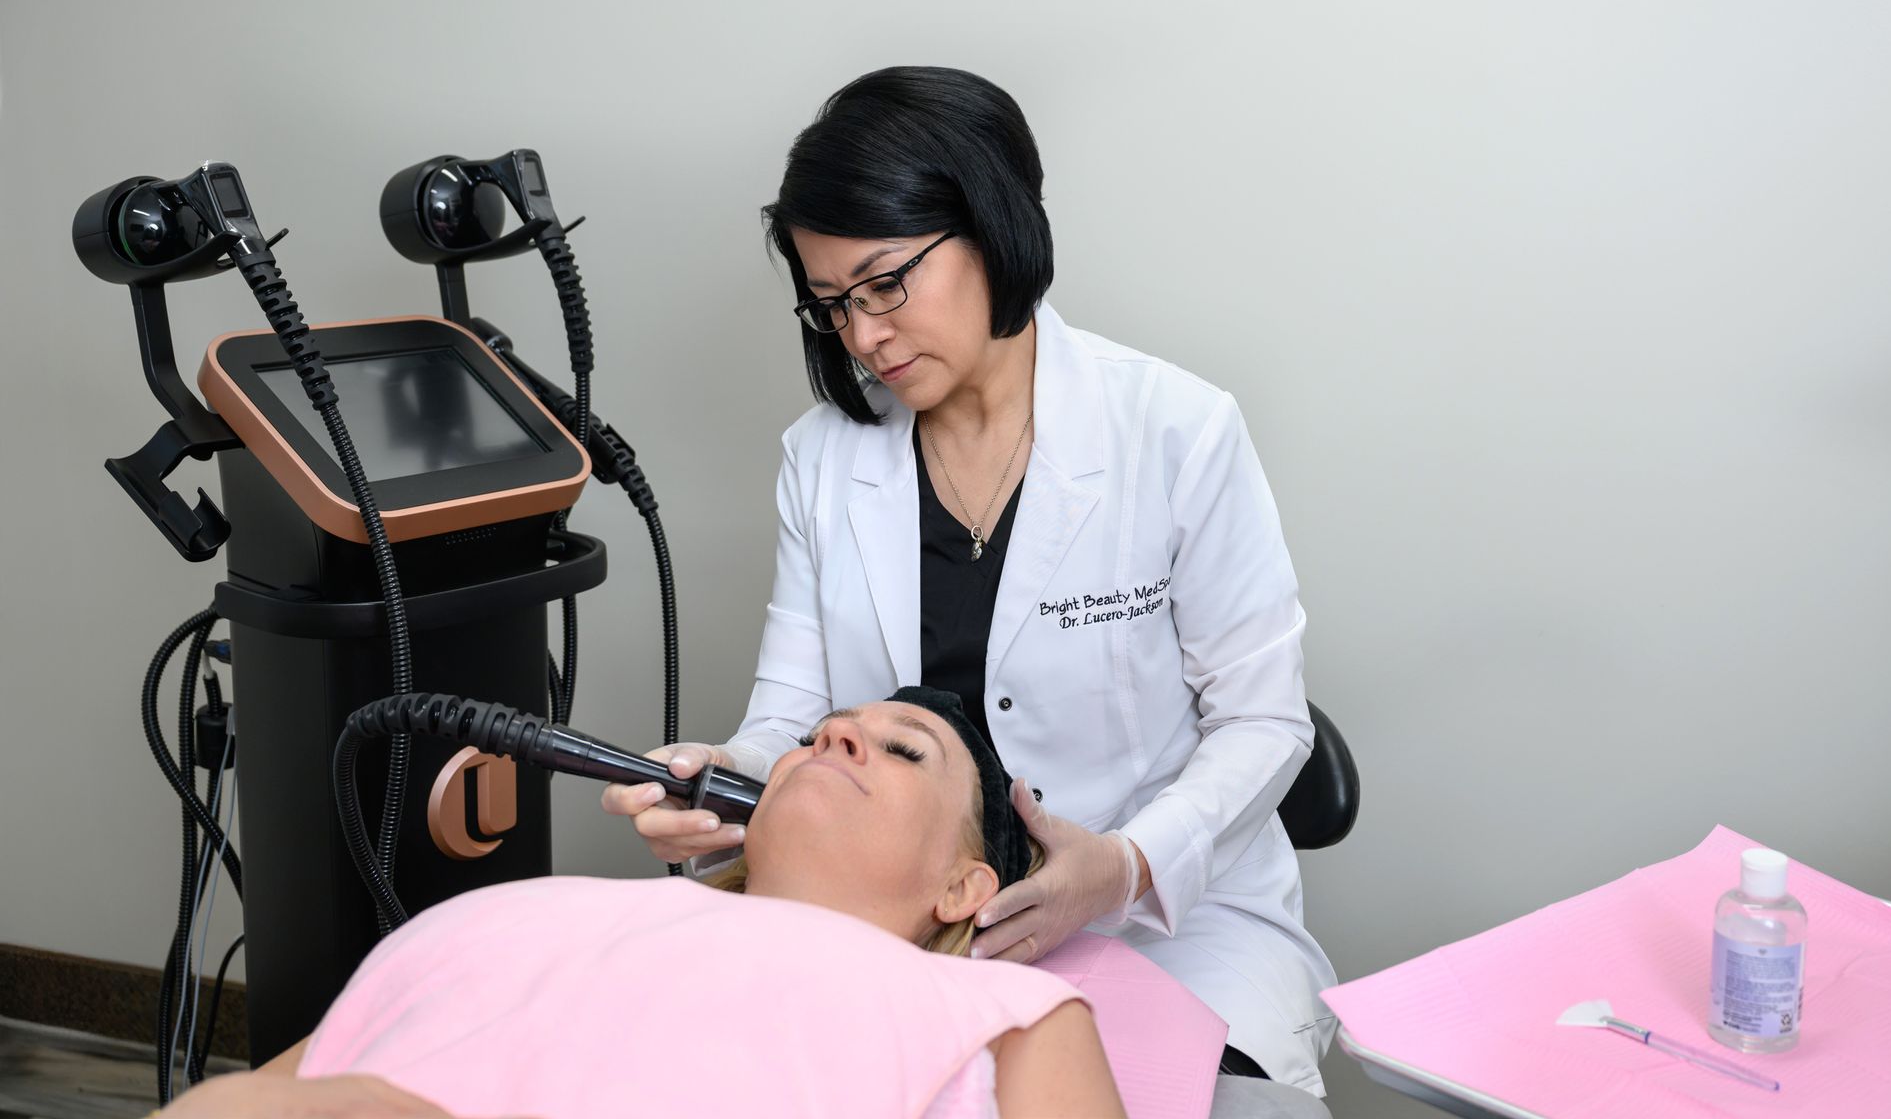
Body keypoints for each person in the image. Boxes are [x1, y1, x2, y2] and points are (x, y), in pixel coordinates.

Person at [604, 66, 1337, 1094]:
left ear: (993, 227)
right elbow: (789, 719)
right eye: (832, 306)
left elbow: (1265, 722)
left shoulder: (1175, 431)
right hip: (910, 933)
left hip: (1169, 935)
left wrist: (1125, 866)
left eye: (885, 284)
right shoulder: (821, 460)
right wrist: (725, 779)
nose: (864, 336)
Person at [155, 690, 1125, 1119]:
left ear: (965, 887)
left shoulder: (1001, 1009)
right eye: (818, 733)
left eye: (904, 748)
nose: (834, 736)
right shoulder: (514, 910)